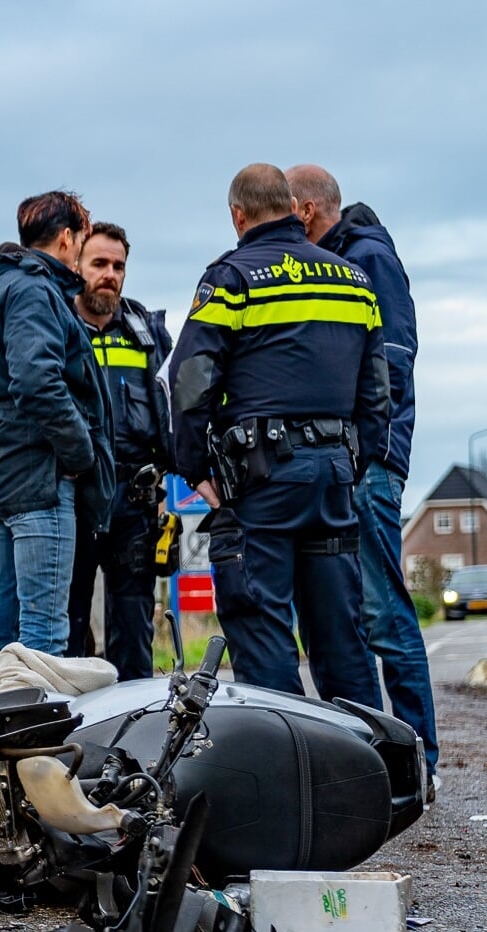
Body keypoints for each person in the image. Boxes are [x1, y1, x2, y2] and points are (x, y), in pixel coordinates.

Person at [168, 164, 389, 704]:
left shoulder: (232, 278)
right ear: (293, 207)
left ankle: (287, 781)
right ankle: (372, 774)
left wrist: (195, 467)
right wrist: (352, 462)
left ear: (237, 216)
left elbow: (190, 381)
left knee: (263, 633)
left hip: (259, 487)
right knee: (342, 636)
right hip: (333, 478)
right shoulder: (354, 280)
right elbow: (377, 390)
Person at [288, 164, 440, 781]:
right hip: (350, 461)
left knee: (382, 613)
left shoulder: (368, 258)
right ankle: (378, 760)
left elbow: (391, 362)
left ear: (303, 210)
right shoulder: (340, 258)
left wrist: (366, 451)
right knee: (351, 615)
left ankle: (419, 760)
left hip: (367, 465)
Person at [0, 191, 114, 667]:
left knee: (3, 629)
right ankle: (35, 742)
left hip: (6, 470)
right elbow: (36, 380)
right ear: (67, 238)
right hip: (40, 475)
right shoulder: (33, 290)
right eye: (83, 239)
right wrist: (80, 454)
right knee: (44, 634)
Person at [65, 222, 174, 680]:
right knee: (67, 625)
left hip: (134, 498)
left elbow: (166, 409)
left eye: (118, 266)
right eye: (99, 264)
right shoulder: (60, 328)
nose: (110, 274)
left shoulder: (145, 333)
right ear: (77, 266)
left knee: (133, 626)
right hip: (74, 494)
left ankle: (136, 733)